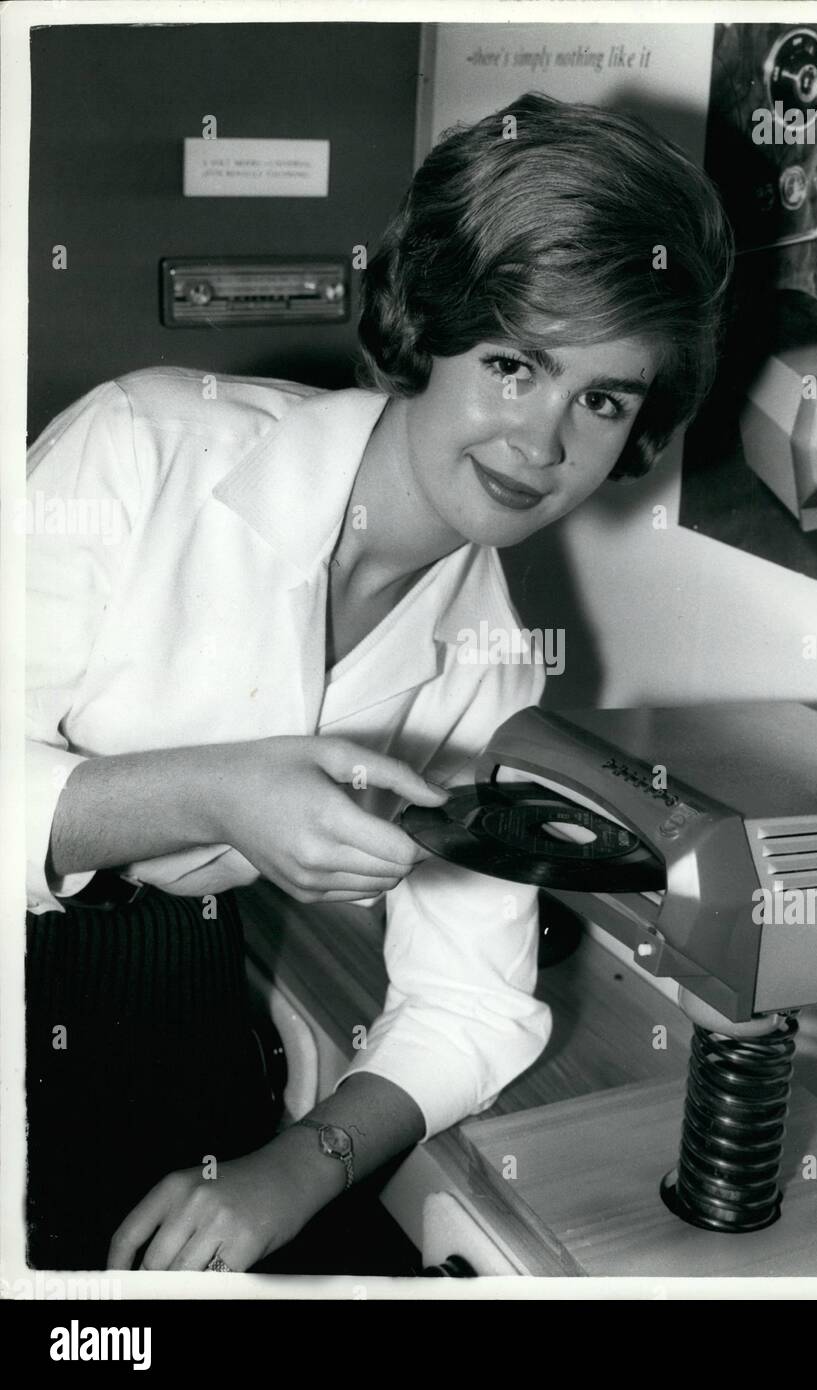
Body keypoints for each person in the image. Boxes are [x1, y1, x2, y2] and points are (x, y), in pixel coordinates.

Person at [24, 92, 733, 1272]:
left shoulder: (492, 660)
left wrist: (293, 1169)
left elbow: (474, 1004)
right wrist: (214, 794)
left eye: (600, 399)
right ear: (428, 327)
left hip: (177, 996)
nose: (543, 443)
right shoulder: (139, 449)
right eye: (514, 364)